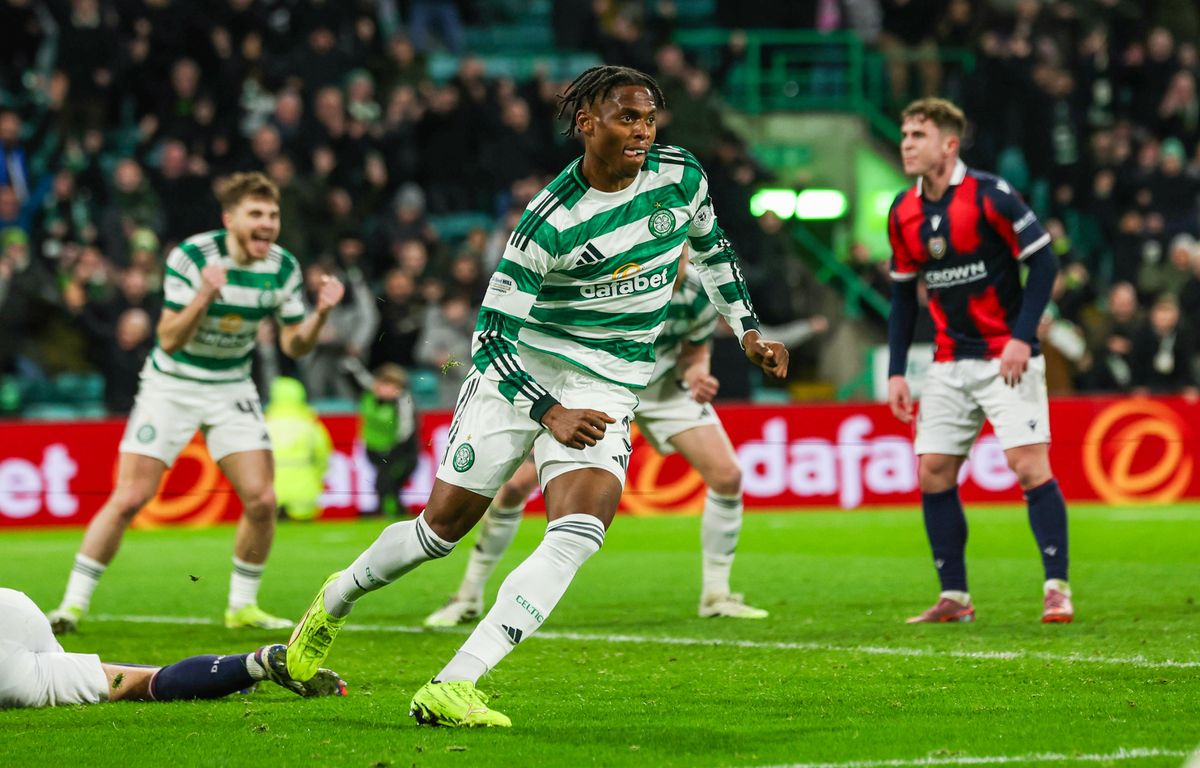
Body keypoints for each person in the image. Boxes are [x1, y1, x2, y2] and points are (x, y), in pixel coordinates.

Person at [284, 65, 788, 728]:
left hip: (607, 383)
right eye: (625, 117)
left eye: (648, 118)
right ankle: (336, 599)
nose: (641, 131)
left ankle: (455, 683)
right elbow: (488, 337)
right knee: (441, 532)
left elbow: (713, 247)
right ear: (586, 122)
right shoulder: (550, 221)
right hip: (521, 373)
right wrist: (547, 410)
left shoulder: (681, 175)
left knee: (580, 530)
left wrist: (746, 328)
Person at [46, 172, 346, 635]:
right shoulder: (192, 257)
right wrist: (206, 293)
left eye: (273, 215)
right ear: (230, 220)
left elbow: (295, 346)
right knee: (129, 497)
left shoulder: (283, 267)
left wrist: (321, 314)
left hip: (230, 387)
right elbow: (167, 337)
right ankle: (71, 606)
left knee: (263, 499)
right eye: (256, 214)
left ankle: (242, 607)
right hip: (172, 385)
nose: (267, 223)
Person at [424, 251, 768, 627]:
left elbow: (695, 350)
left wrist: (699, 374)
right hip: (593, 386)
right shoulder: (612, 278)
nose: (674, 256)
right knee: (512, 488)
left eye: (682, 250)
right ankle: (468, 595)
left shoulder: (698, 295)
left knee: (728, 475)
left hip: (664, 388)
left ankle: (717, 595)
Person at [885, 98, 1073, 625]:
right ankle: (955, 598)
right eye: (903, 134)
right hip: (947, 363)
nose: (906, 143)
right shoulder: (903, 211)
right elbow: (903, 296)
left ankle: (1057, 588)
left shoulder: (992, 196)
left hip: (1005, 358)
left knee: (1028, 466)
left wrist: (1021, 337)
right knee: (933, 473)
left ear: (949, 143)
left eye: (917, 135)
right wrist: (897, 370)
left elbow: (1045, 261)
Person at [1, 588, 345, 709]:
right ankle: (234, 671)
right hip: (13, 605)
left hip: (7, 667)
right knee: (83, 670)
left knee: (132, 686)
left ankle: (253, 666)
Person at [343, 359, 419, 518]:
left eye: (393, 385)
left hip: (400, 451)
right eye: (384, 383)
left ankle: (387, 510)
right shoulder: (369, 394)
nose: (387, 389)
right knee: (384, 481)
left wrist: (394, 450)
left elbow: (407, 430)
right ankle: (392, 510)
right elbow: (354, 373)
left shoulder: (404, 401)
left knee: (386, 481)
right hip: (374, 449)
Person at [265, 377, 333, 522]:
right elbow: (322, 453)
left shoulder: (265, 423)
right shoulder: (309, 423)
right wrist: (318, 475)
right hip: (303, 485)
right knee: (305, 532)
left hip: (272, 485)